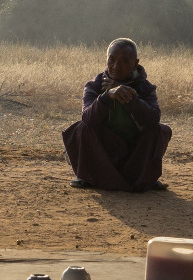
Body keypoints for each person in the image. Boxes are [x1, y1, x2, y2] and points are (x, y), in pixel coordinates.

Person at [62, 37, 171, 191]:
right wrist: (106, 96)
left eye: (124, 61)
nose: (116, 66)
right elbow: (87, 118)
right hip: (104, 153)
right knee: (81, 128)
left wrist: (128, 96)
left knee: (161, 130)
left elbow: (153, 119)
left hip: (133, 155)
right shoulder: (95, 86)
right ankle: (88, 176)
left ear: (135, 64)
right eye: (111, 60)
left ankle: (144, 177)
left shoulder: (145, 88)